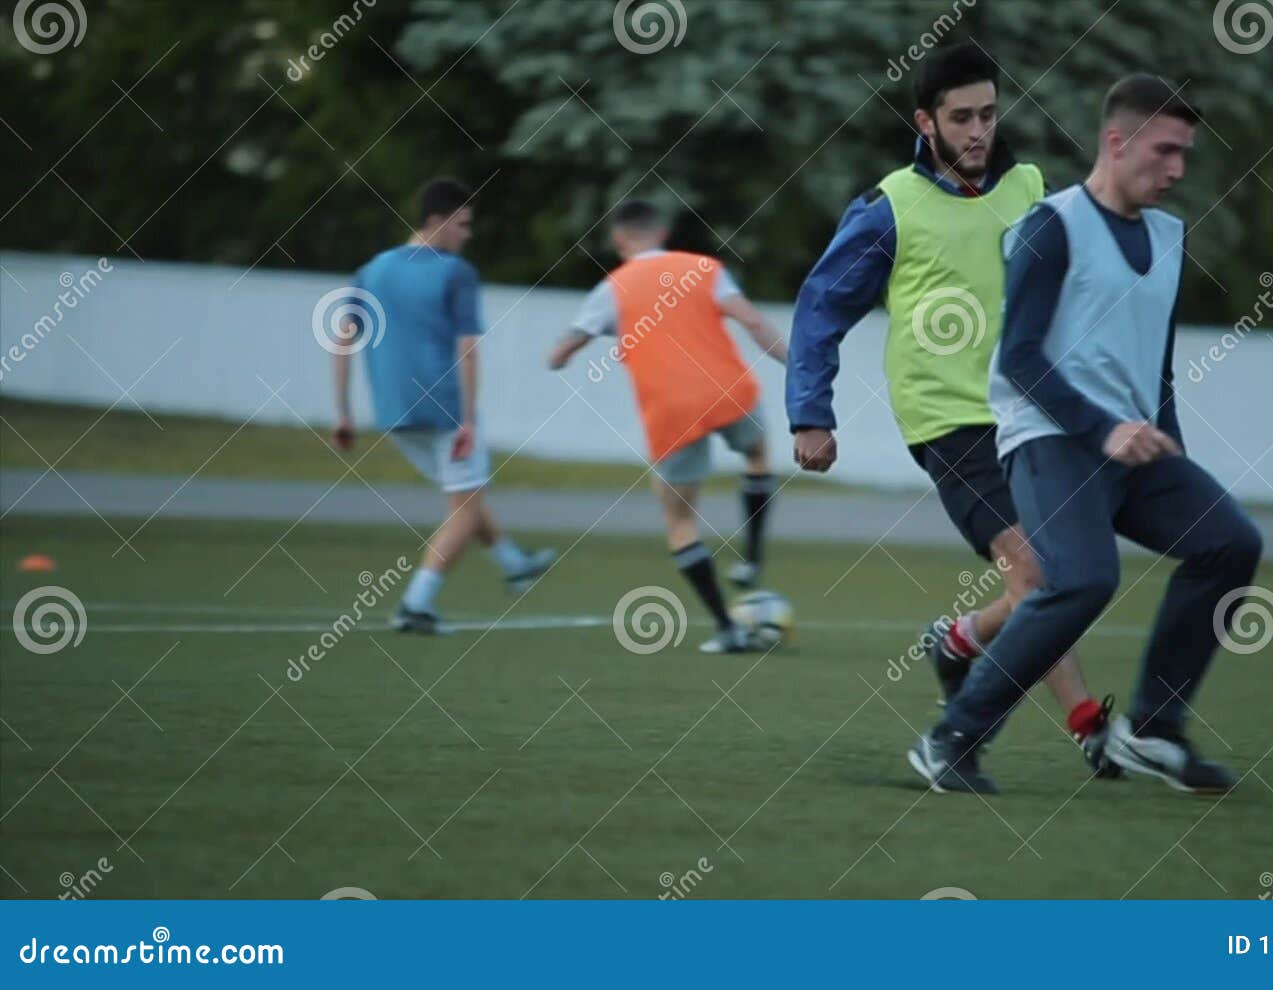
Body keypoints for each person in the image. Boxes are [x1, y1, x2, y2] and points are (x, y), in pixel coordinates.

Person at [908, 75, 1264, 796]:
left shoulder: (1169, 235)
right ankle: (951, 740)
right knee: (1081, 581)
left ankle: (1154, 732)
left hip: (1133, 449)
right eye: (1165, 151)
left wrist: (1172, 457)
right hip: (1050, 440)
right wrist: (1103, 430)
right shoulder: (1052, 226)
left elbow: (1154, 368)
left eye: (1185, 154)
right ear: (1117, 141)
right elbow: (1020, 359)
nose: (1177, 170)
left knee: (1230, 541)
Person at [787, 42, 1112, 765]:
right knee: (1037, 571)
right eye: (960, 117)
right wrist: (811, 412)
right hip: (947, 417)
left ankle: (959, 640)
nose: (978, 131)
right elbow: (819, 309)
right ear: (925, 122)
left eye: (989, 114)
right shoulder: (887, 208)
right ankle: (1081, 726)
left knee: (1054, 574)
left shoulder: (1031, 187)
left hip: (1027, 410)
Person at [548, 200, 788, 653]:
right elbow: (753, 321)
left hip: (670, 414)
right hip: (728, 392)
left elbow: (562, 351)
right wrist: (797, 367)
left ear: (620, 240)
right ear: (661, 233)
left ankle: (727, 629)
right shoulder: (704, 268)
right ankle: (751, 559)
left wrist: (560, 353)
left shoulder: (612, 289)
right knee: (757, 453)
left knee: (680, 521)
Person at [331, 177, 557, 634]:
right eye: (463, 224)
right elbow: (468, 348)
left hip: (393, 412)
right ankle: (416, 603)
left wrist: (342, 412)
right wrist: (470, 419)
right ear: (438, 220)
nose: (467, 234)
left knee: (465, 495)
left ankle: (513, 563)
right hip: (445, 408)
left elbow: (342, 340)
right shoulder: (456, 272)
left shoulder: (372, 269)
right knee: (465, 503)